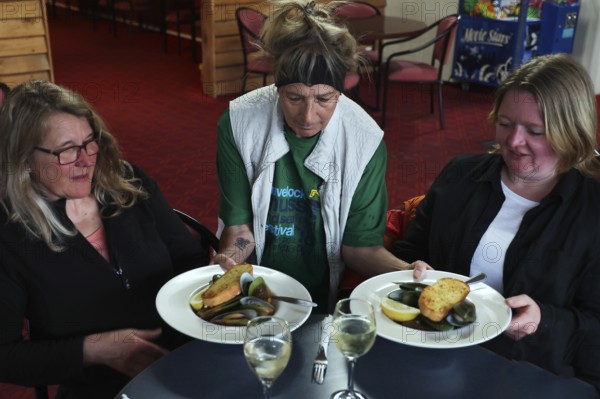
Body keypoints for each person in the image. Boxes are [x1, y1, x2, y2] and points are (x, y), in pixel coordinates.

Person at [393, 53, 600, 389]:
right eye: (505, 124)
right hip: (438, 353)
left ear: (570, 132)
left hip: (530, 371)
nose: (514, 142)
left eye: (535, 131)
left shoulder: (591, 214)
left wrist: (544, 320)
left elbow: (594, 325)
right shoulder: (460, 174)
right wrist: (411, 269)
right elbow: (408, 251)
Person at [0, 80, 208, 398]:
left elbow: (189, 256)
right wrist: (95, 350)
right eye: (67, 151)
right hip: (101, 387)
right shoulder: (9, 236)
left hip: (185, 360)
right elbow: (5, 356)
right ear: (25, 158)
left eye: (89, 142)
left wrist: (208, 284)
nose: (86, 160)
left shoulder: (129, 183)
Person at [213, 0, 417, 312]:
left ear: (342, 91)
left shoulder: (365, 141)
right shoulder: (239, 122)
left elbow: (359, 249)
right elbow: (241, 231)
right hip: (255, 290)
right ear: (276, 88)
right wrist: (228, 260)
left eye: (324, 99)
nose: (308, 115)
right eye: (294, 97)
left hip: (322, 297)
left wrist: (409, 275)